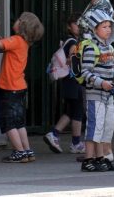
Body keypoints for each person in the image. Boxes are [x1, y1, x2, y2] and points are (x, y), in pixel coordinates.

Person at [0, 11, 45, 162]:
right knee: (19, 122)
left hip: (9, 87)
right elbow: (2, 46)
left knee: (8, 122)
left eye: (19, 19)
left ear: (22, 25)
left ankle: (19, 151)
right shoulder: (23, 42)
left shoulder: (16, 40)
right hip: (19, 87)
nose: (15, 21)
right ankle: (27, 150)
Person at [77, 10, 114, 172]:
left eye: (109, 26)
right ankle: (88, 159)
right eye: (104, 27)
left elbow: (109, 69)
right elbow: (85, 73)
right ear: (94, 29)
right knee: (94, 128)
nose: (108, 29)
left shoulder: (109, 47)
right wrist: (102, 83)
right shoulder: (91, 48)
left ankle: (101, 158)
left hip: (107, 96)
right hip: (95, 95)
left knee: (106, 128)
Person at [43, 12, 87, 157]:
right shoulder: (73, 42)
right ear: (69, 26)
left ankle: (71, 141)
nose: (78, 26)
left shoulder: (70, 40)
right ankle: (59, 136)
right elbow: (74, 60)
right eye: (75, 23)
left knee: (72, 110)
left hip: (69, 79)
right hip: (73, 79)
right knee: (76, 109)